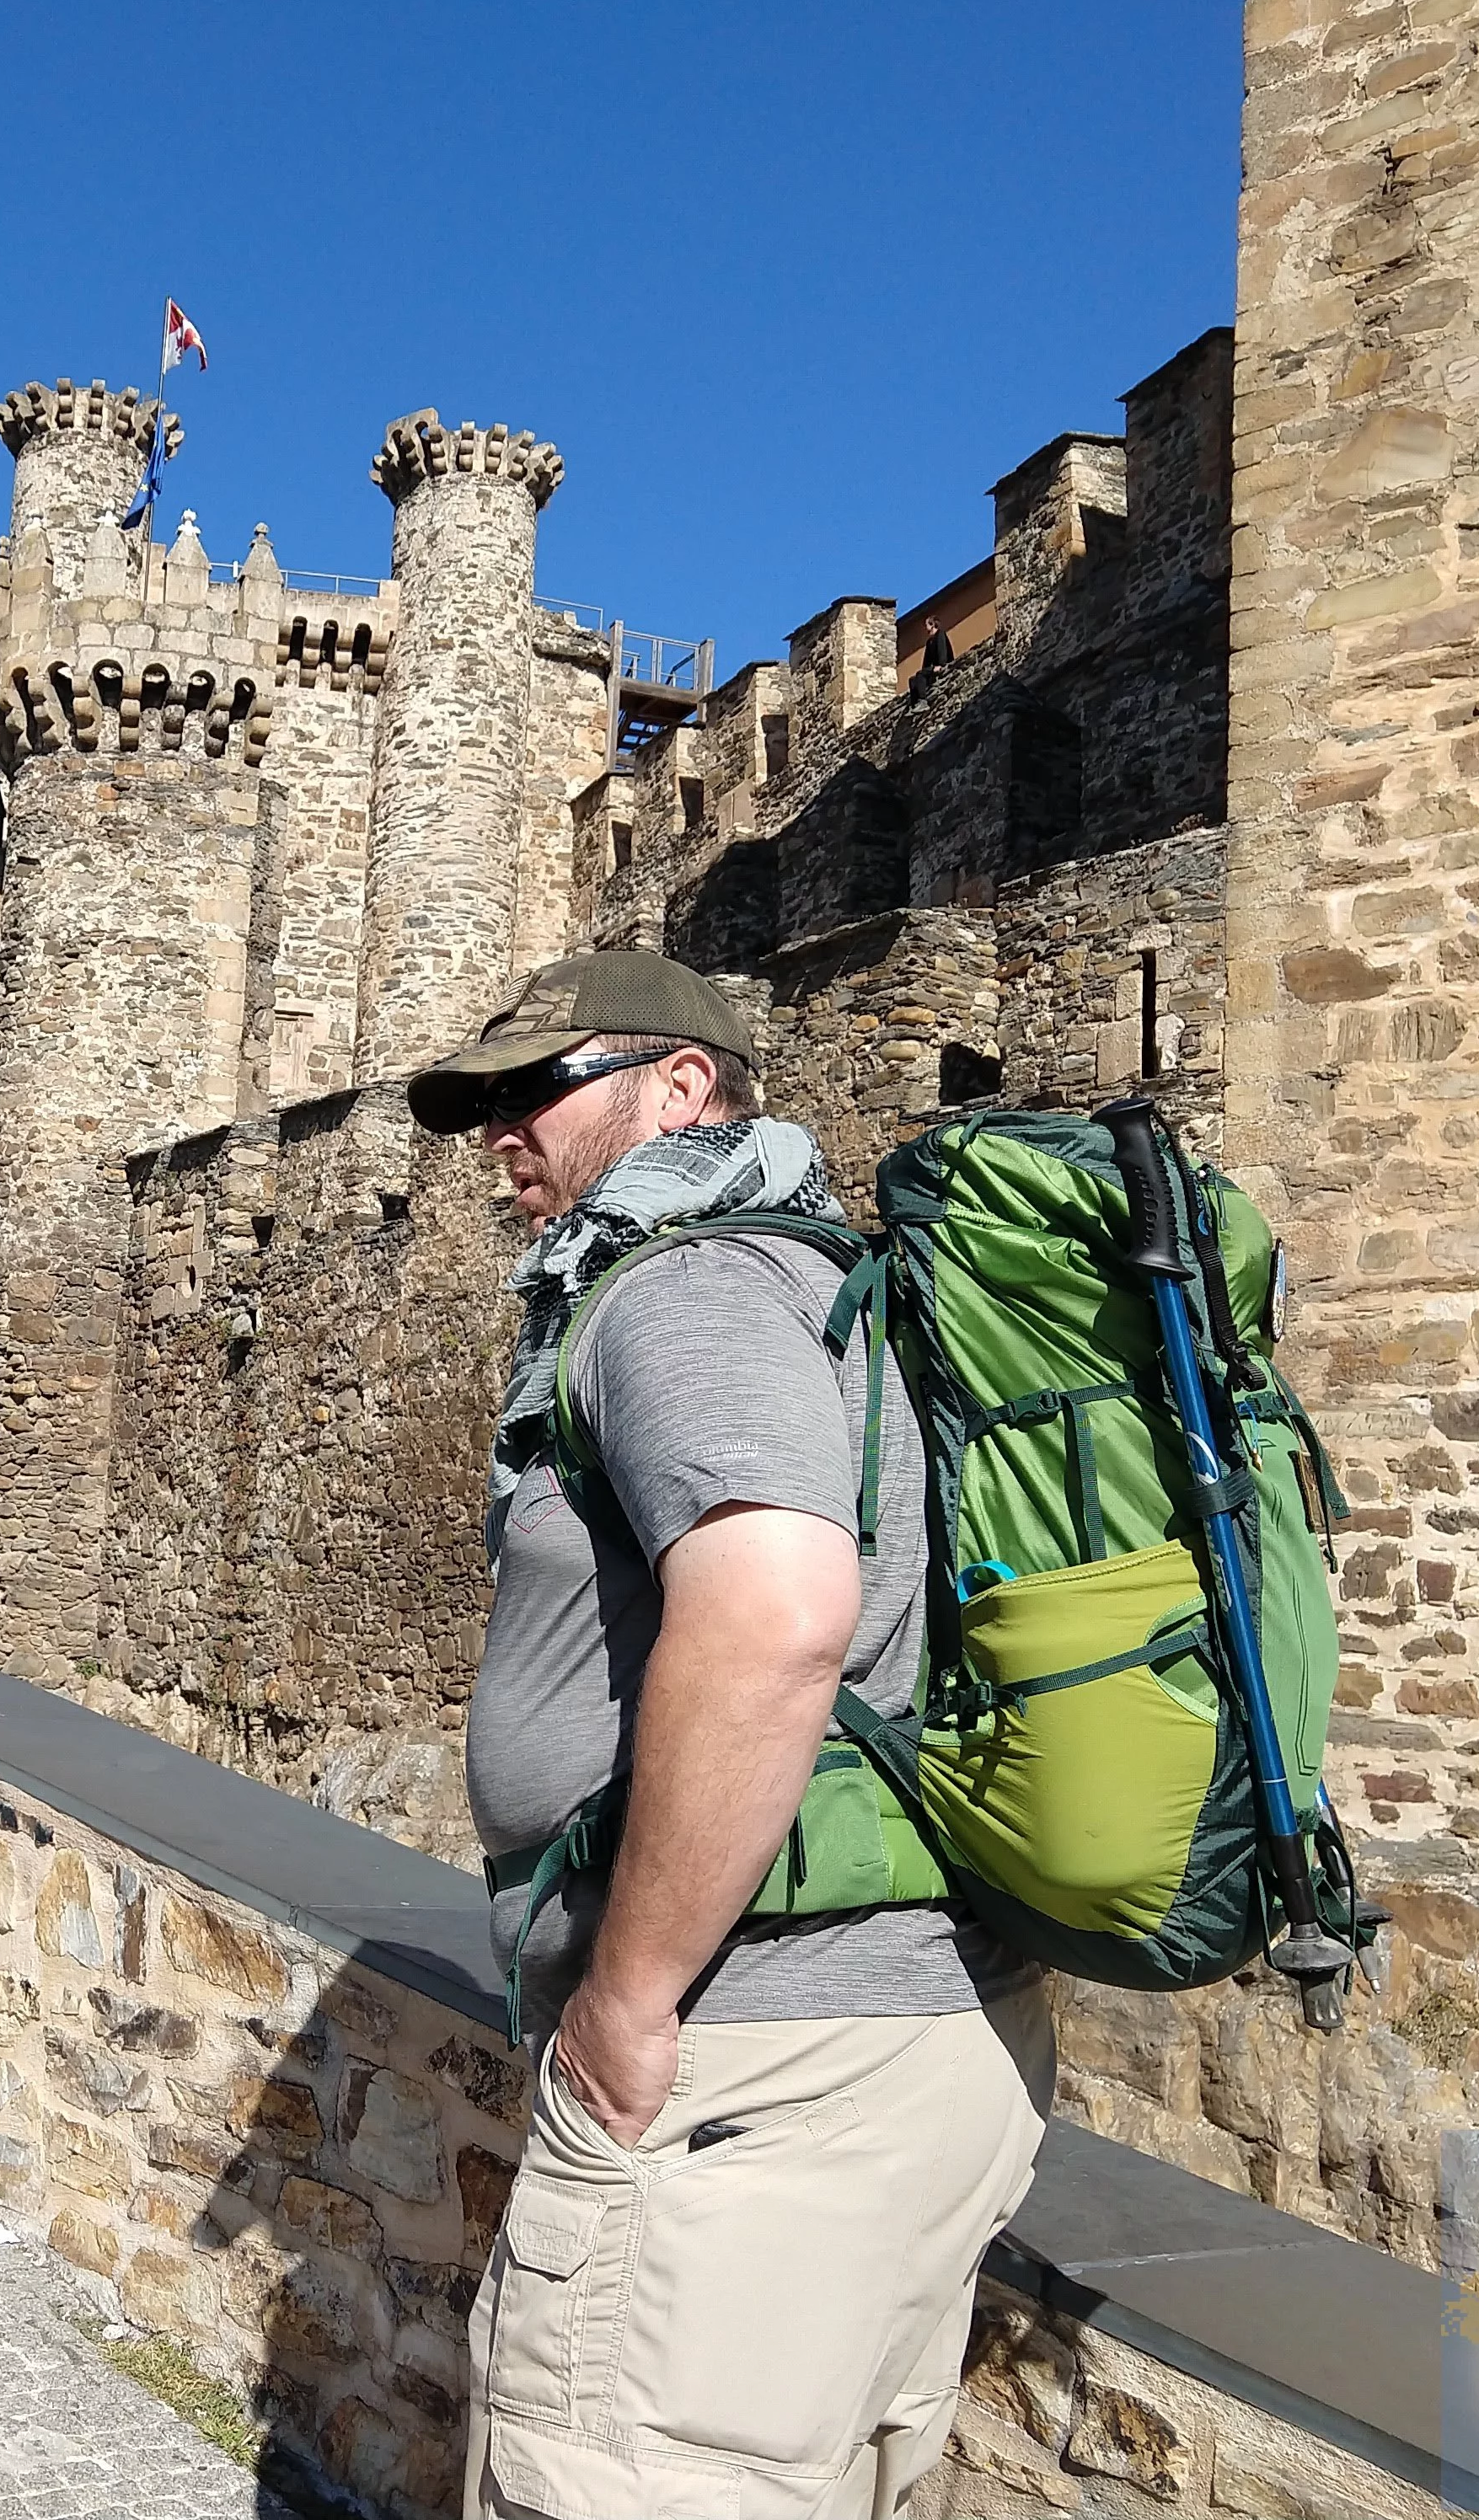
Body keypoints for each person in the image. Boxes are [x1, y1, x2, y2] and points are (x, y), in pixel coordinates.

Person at [407, 950, 1053, 2520]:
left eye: (533, 1089)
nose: (500, 1131)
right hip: (909, 2044)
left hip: (752, 2063)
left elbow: (775, 1618)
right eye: (484, 1101)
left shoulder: (681, 1286)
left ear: (682, 1088)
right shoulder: (832, 1292)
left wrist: (627, 1998)